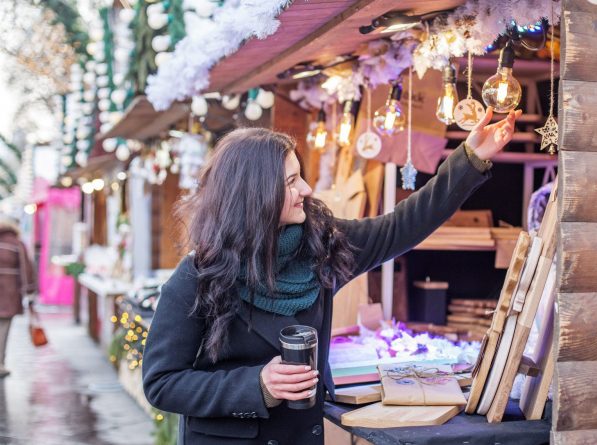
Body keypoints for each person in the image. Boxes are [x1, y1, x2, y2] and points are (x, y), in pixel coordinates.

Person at [142, 107, 522, 444]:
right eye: (290, 182)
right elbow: (162, 382)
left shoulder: (324, 247)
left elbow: (402, 226)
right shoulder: (198, 275)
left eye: (299, 176)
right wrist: (255, 385)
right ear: (256, 193)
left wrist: (470, 160)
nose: (306, 189)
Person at [0, 214, 36, 378]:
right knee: (4, 328)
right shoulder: (16, 243)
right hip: (9, 292)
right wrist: (29, 290)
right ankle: (0, 363)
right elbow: (25, 268)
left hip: (8, 292)